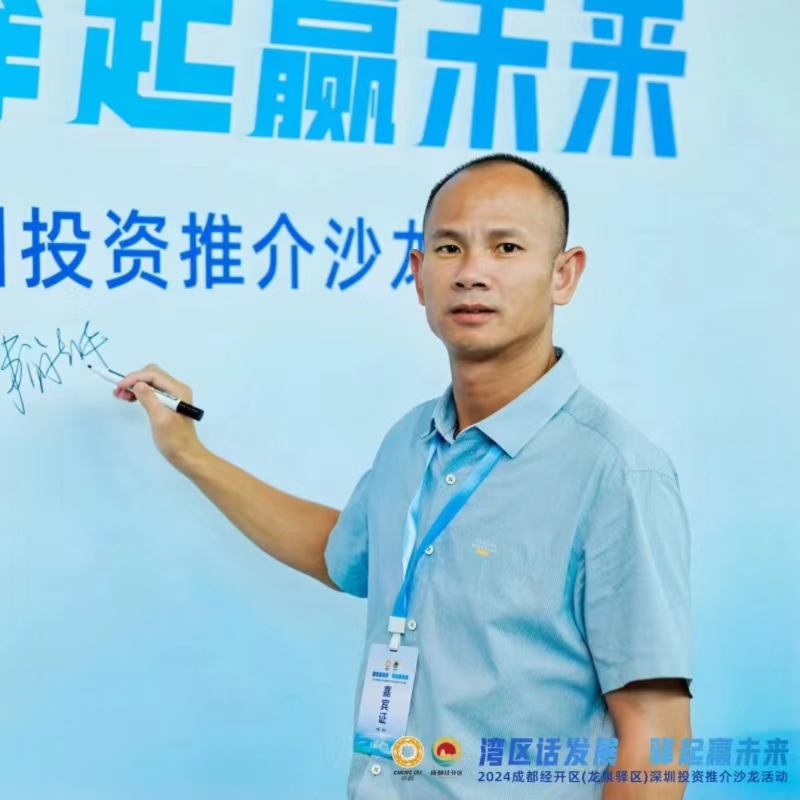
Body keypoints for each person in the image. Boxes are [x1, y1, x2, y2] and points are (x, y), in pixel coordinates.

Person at [114, 154, 693, 799]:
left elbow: (656, 734)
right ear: (418, 275)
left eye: (506, 247)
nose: (471, 272)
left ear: (564, 274)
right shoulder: (411, 440)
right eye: (448, 248)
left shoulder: (617, 472)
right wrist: (190, 454)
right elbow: (342, 553)